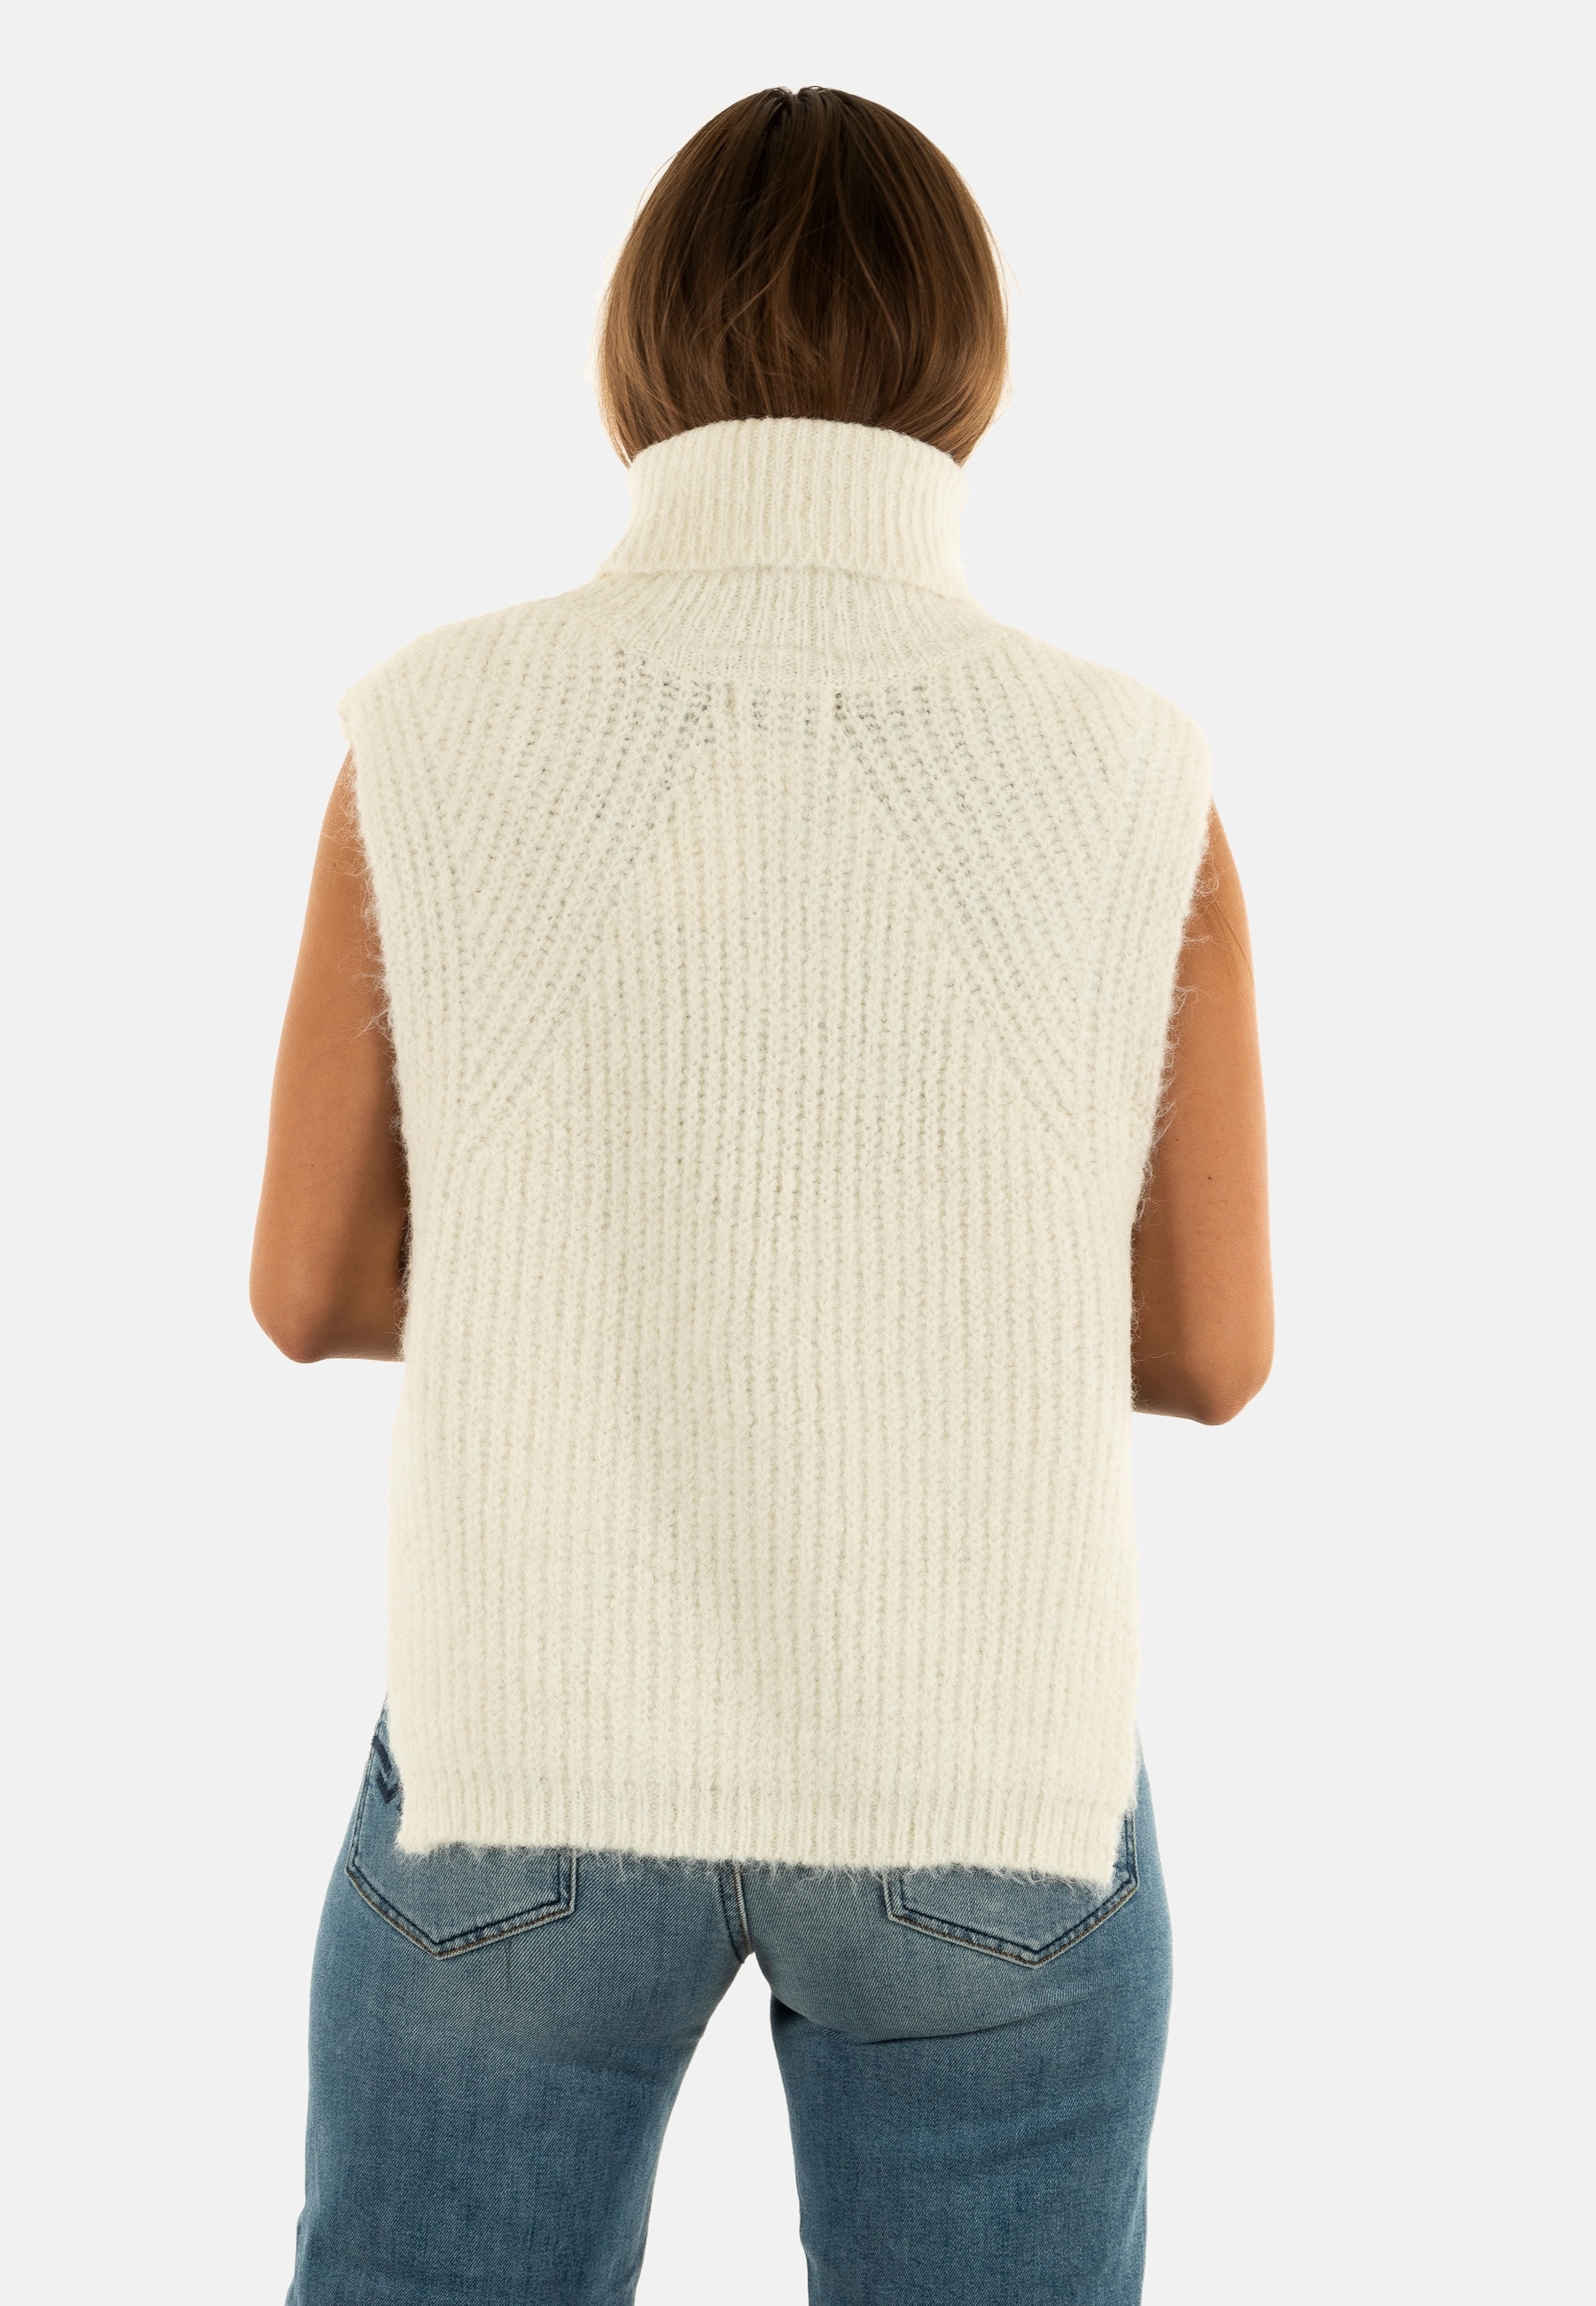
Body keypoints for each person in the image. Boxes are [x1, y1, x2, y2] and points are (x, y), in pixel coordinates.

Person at [252, 84, 1271, 2306]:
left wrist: (623, 1267)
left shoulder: (429, 730)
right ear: (967, 361)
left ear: (637, 351)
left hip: (528, 1741)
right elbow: (1211, 1351)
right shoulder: (1134, 771)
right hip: (980, 1772)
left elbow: (310, 1288)